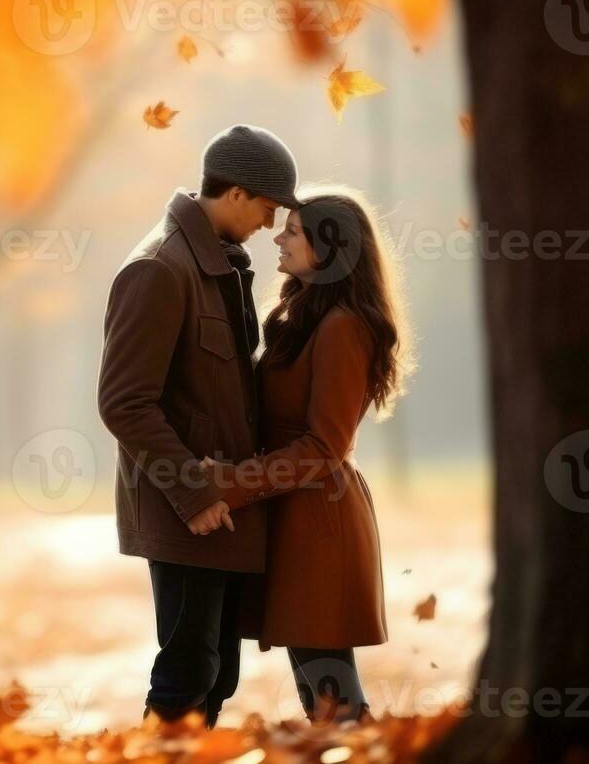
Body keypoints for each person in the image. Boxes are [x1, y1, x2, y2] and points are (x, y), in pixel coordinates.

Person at [97, 124, 299, 727]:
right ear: (236, 193)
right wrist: (193, 491)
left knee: (217, 676)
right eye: (267, 207)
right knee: (188, 672)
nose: (270, 223)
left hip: (224, 508)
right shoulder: (160, 268)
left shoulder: (218, 264)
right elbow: (124, 402)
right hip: (188, 510)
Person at [207, 190, 412, 725]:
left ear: (331, 248)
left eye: (293, 230)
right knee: (324, 696)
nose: (279, 235)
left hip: (319, 523)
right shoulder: (308, 316)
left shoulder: (344, 326)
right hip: (293, 513)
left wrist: (229, 483)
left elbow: (325, 446)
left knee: (332, 698)